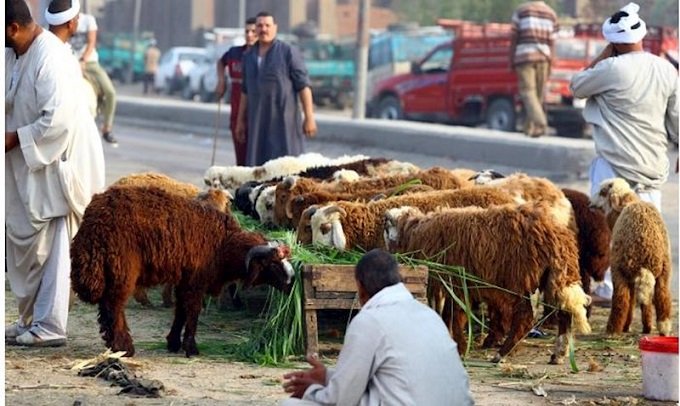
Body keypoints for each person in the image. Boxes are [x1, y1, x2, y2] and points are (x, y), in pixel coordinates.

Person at [5, 0, 105, 348]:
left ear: (12, 28)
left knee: (57, 245)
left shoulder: (52, 57)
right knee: (30, 246)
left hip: (60, 163)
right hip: (30, 167)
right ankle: (29, 319)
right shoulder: (14, 54)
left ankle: (51, 325)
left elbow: (57, 120)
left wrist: (15, 138)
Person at [570, 2, 678, 300]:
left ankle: (609, 288)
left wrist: (604, 55)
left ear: (612, 41)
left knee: (608, 230)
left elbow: (577, 86)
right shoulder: (666, 69)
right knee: (649, 232)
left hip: (614, 168)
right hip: (652, 166)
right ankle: (650, 291)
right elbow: (677, 116)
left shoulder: (609, 69)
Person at [281, 249, 474, 405]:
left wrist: (310, 391)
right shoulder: (430, 316)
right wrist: (328, 377)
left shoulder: (369, 321)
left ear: (361, 287)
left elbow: (340, 400)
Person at [235, 11, 317, 167]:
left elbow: (303, 86)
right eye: (259, 25)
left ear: (275, 28)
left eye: (267, 25)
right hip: (257, 122)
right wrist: (240, 121)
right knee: (258, 168)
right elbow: (245, 91)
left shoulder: (288, 52)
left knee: (288, 168)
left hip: (284, 121)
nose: (263, 29)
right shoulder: (248, 56)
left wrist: (309, 117)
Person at [69, 9, 118, 145]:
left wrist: (83, 60)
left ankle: (106, 129)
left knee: (110, 92)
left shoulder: (88, 20)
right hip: (68, 62)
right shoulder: (62, 20)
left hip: (89, 63)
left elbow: (91, 42)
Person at [509, 1, 558, 138]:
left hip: (525, 56)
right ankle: (530, 128)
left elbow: (514, 38)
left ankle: (540, 122)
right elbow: (553, 42)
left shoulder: (522, 11)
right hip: (544, 58)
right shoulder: (551, 14)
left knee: (527, 92)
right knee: (538, 94)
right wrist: (552, 60)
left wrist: (510, 59)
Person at [215, 17, 257, 166]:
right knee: (240, 156)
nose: (250, 35)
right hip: (236, 109)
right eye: (247, 31)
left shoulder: (263, 57)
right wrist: (222, 80)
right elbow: (221, 62)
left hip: (256, 114)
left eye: (254, 31)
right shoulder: (235, 53)